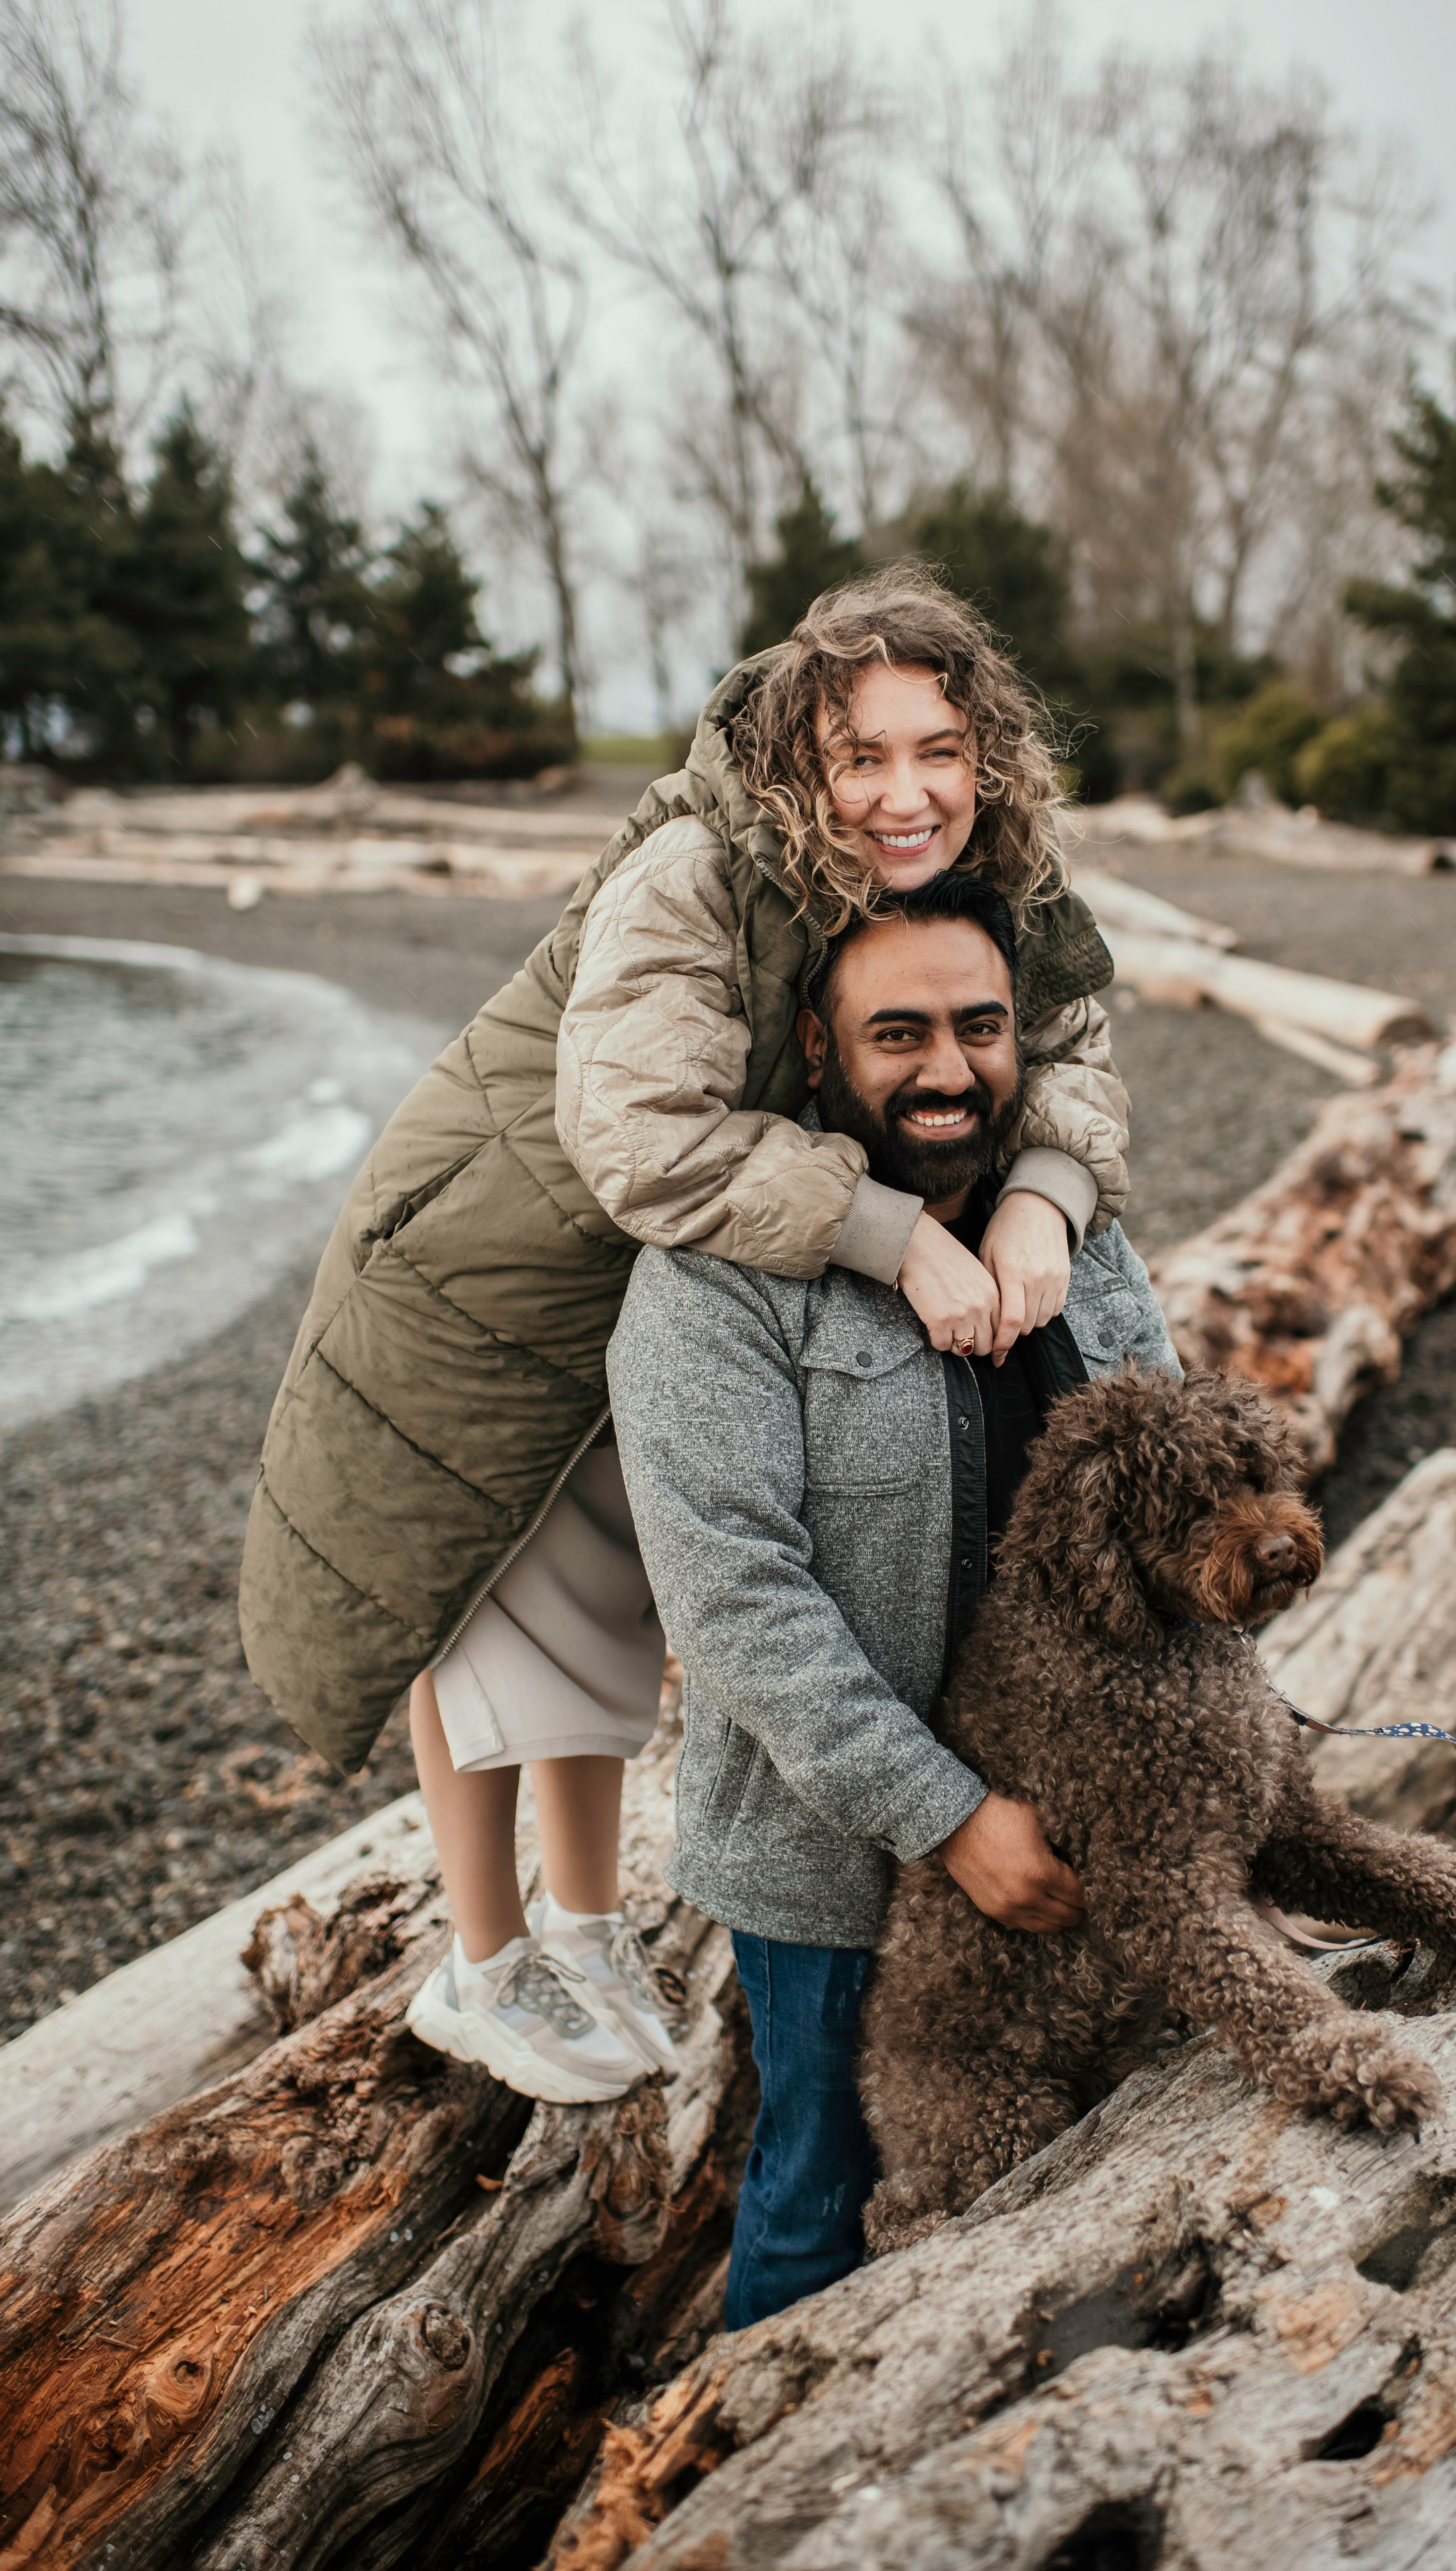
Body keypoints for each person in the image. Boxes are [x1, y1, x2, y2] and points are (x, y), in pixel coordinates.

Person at [238, 564, 1133, 2106]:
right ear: (799, 758)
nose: (906, 793)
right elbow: (639, 1134)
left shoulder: (1000, 863)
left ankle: (588, 1932)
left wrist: (1045, 1199)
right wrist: (897, 1232)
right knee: (481, 1593)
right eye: (862, 756)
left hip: (679, 1251)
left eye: (938, 750)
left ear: (987, 753)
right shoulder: (696, 870)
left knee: (607, 1589)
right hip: (494, 1263)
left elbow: (1069, 1050)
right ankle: (480, 1961)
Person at [606, 873, 1181, 2326]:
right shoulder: (714, 1284)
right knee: (821, 2194)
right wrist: (949, 1821)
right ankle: (754, 2443)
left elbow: (1181, 1514)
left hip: (1101, 1833)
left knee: (1106, 2161)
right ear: (818, 1044)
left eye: (979, 1027)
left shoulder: (1080, 1240)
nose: (946, 1069)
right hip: (839, 1874)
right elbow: (737, 1602)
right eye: (898, 1033)